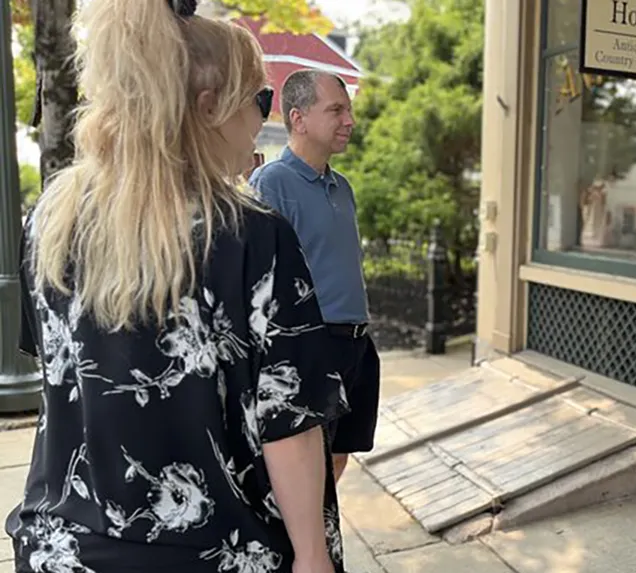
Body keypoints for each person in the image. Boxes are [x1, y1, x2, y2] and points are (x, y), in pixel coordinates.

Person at [5, 1, 349, 572]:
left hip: (64, 548)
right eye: (259, 100)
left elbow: (62, 383)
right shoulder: (251, 236)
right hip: (217, 554)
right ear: (209, 108)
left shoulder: (49, 221)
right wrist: (313, 556)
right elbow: (287, 424)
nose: (261, 119)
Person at [250, 70, 379, 484]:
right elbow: (260, 279)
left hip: (357, 344)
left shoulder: (342, 186)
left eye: (349, 110)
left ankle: (319, 541)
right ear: (299, 118)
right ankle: (301, 546)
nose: (349, 121)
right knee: (305, 466)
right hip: (314, 345)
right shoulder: (272, 183)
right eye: (336, 110)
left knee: (340, 456)